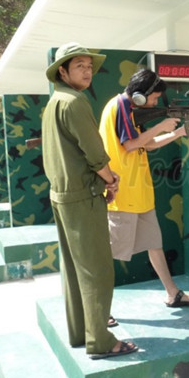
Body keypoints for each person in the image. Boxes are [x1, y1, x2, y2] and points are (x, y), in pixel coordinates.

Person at [41, 42, 137, 360]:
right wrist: (110, 179)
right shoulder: (75, 102)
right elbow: (94, 153)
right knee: (97, 270)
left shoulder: (54, 102)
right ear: (62, 71)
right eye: (79, 66)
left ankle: (81, 332)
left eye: (89, 66)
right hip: (83, 197)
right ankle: (101, 340)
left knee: (74, 269)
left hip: (62, 196)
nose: (87, 71)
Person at [99, 68, 189, 308]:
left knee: (154, 245)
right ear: (141, 95)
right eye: (155, 98)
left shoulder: (128, 109)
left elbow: (146, 144)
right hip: (123, 195)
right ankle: (97, 309)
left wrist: (178, 132)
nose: (155, 102)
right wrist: (162, 126)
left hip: (139, 194)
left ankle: (173, 294)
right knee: (106, 256)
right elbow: (130, 145)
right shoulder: (119, 106)